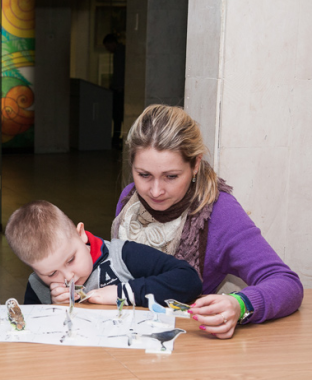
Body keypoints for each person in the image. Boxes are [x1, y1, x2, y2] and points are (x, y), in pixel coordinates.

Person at [112, 104, 303, 339]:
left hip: (187, 343)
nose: (155, 191)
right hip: (127, 333)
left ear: (195, 164)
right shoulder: (130, 199)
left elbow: (286, 283)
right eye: (144, 175)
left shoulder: (219, 212)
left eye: (171, 176)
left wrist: (240, 305)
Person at [6, 200, 202, 308]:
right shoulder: (37, 286)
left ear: (81, 234)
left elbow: (189, 280)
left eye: (71, 260)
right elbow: (34, 342)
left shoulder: (122, 256)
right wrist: (54, 309)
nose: (68, 277)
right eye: (51, 274)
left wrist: (123, 293)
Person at [103, 33, 125, 150]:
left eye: (108, 47)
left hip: (119, 89)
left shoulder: (121, 53)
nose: (108, 50)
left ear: (112, 43)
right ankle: (116, 138)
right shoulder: (118, 53)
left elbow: (120, 72)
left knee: (117, 115)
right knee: (116, 116)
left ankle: (116, 138)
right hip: (117, 87)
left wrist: (118, 86)